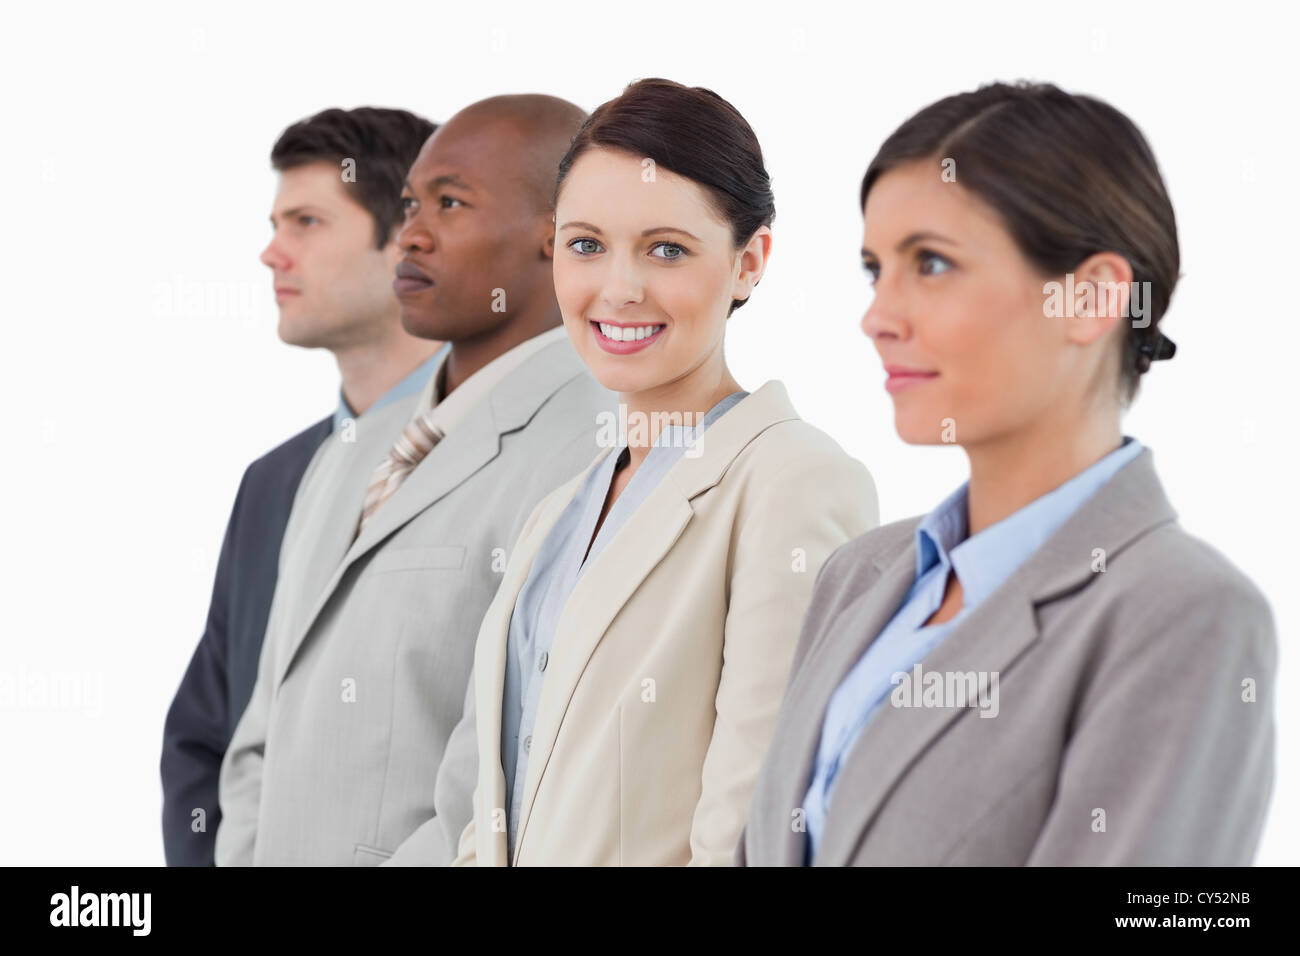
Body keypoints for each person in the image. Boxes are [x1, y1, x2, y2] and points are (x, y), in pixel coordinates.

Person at [739, 81, 1277, 866]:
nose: (877, 315)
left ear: (1091, 299)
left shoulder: (1188, 615)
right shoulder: (859, 578)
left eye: (930, 262)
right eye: (873, 269)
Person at [446, 78, 879, 866]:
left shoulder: (792, 482)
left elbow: (756, 828)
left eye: (667, 250)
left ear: (750, 262)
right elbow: (493, 804)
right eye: (586, 245)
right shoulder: (557, 512)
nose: (618, 288)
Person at [214, 93, 615, 867]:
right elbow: (259, 733)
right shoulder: (349, 453)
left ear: (559, 235)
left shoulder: (594, 453)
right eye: (408, 205)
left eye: (450, 204)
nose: (412, 235)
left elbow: (519, 774)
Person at [160, 106, 443, 866]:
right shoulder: (272, 484)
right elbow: (203, 738)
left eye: (307, 222)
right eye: (276, 223)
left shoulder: (518, 460)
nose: (270, 253)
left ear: (407, 239)